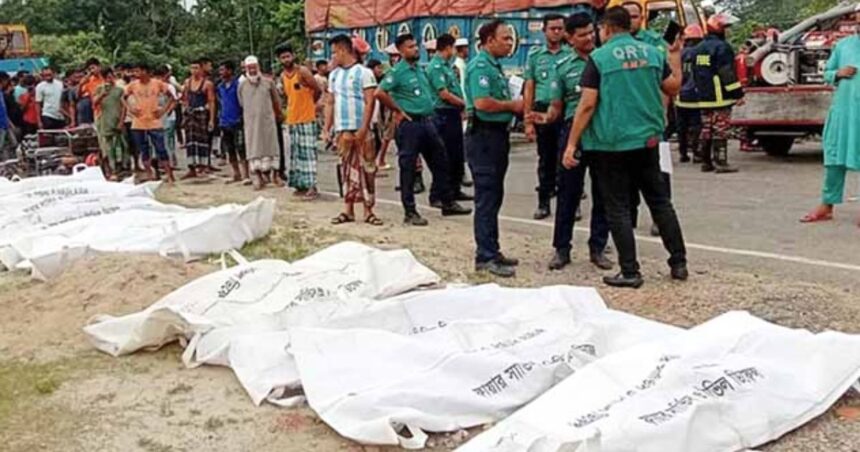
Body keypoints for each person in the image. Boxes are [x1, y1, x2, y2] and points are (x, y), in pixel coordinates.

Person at [562, 6, 687, 288]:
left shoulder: (599, 58)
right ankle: (678, 262)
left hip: (610, 144)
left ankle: (630, 271)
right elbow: (672, 87)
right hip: (648, 140)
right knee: (659, 202)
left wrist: (571, 143)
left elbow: (587, 105)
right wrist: (676, 55)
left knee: (616, 207)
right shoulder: (653, 53)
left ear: (606, 28)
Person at [539, 13, 612, 272]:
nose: (589, 38)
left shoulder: (605, 60)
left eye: (591, 32)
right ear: (570, 38)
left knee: (604, 194)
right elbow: (556, 105)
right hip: (573, 133)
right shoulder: (562, 68)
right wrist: (542, 117)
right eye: (582, 35)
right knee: (568, 193)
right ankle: (561, 248)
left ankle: (598, 247)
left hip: (603, 132)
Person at [376, 33, 472, 225]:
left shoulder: (420, 70)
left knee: (441, 161)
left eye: (415, 46)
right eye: (410, 47)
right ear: (401, 50)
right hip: (410, 124)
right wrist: (398, 110)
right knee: (408, 168)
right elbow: (380, 92)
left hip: (428, 121)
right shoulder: (397, 72)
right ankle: (410, 211)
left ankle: (447, 202)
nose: (415, 49)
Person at [466, 20, 524, 278]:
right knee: (487, 198)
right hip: (484, 138)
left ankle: (492, 249)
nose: (509, 43)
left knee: (494, 196)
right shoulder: (480, 66)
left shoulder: (494, 66)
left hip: (496, 136)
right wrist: (513, 106)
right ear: (489, 40)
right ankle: (485, 256)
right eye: (505, 38)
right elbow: (482, 103)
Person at [801, 5, 860, 226]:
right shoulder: (843, 45)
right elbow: (825, 73)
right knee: (835, 158)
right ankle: (827, 205)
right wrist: (838, 73)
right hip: (843, 112)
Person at [323, 34, 383, 226]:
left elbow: (369, 102)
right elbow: (330, 102)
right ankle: (348, 209)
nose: (333, 57)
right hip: (343, 130)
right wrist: (327, 128)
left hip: (362, 129)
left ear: (343, 50)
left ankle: (368, 210)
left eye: (334, 53)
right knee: (346, 170)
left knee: (367, 168)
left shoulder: (364, 73)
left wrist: (364, 128)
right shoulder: (333, 76)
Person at [524, 14, 571, 220]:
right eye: (552, 28)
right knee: (546, 160)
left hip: (566, 112)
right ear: (544, 31)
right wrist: (528, 120)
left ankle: (570, 203)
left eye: (560, 28)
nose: (557, 32)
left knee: (568, 161)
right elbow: (529, 87)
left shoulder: (571, 54)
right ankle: (543, 203)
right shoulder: (535, 56)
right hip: (542, 111)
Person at [688, 14, 743, 173]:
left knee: (707, 128)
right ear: (720, 29)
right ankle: (721, 162)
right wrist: (737, 94)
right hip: (720, 97)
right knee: (721, 129)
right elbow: (727, 73)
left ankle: (706, 162)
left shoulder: (697, 49)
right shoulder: (722, 47)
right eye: (726, 28)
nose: (728, 32)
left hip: (703, 97)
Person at [426, 33, 473, 202]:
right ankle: (439, 195)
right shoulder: (436, 67)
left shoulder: (447, 66)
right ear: (447, 48)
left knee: (456, 155)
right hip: (442, 114)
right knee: (443, 156)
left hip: (452, 114)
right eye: (453, 47)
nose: (454, 51)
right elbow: (444, 94)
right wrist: (463, 104)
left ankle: (454, 190)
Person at [278, 43, 323, 200]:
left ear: (293, 56)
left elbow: (317, 90)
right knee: (296, 155)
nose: (286, 59)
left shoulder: (302, 71)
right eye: (283, 57)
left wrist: (311, 105)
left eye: (288, 56)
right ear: (279, 60)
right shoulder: (283, 76)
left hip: (307, 118)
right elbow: (286, 96)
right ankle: (300, 185)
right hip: (292, 119)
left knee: (308, 153)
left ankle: (312, 186)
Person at [123, 62, 176, 183]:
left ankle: (169, 175)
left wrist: (163, 110)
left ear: (146, 71)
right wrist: (130, 108)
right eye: (135, 71)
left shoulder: (157, 83)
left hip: (154, 121)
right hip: (138, 122)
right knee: (144, 149)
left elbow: (172, 96)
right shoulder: (133, 85)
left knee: (161, 149)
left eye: (138, 71)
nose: (135, 74)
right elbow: (123, 97)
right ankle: (149, 174)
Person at [237, 55, 284, 190]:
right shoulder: (242, 85)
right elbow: (241, 103)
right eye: (249, 68)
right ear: (246, 69)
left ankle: (275, 176)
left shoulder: (268, 82)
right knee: (253, 149)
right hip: (251, 123)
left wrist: (279, 114)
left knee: (272, 147)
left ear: (258, 67)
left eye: (254, 67)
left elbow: (276, 101)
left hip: (268, 121)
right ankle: (257, 177)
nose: (252, 70)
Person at [181, 59, 216, 178]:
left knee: (203, 141)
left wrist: (211, 119)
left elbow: (211, 102)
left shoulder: (207, 84)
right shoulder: (187, 82)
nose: (194, 71)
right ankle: (192, 168)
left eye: (196, 68)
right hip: (190, 115)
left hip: (202, 115)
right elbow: (184, 98)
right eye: (192, 68)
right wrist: (185, 111)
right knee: (190, 141)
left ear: (201, 69)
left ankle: (203, 167)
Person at [675, 24, 705, 164]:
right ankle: (697, 152)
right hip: (696, 96)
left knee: (682, 126)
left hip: (680, 96)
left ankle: (683, 153)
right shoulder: (701, 54)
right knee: (696, 125)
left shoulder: (679, 54)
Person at [93, 67, 127, 180]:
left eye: (111, 76)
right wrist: (102, 94)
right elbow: (94, 103)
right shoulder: (99, 89)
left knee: (121, 146)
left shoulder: (119, 90)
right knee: (107, 146)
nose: (109, 79)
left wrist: (121, 122)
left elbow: (124, 107)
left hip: (117, 120)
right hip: (105, 120)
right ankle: (111, 169)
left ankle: (121, 167)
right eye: (107, 77)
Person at [217, 60, 248, 184]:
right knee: (230, 149)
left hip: (237, 121)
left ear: (230, 71)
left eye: (223, 70)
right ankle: (236, 173)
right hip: (225, 121)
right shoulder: (220, 87)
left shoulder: (238, 85)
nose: (221, 72)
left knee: (241, 148)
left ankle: (246, 175)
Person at [155, 66, 180, 168]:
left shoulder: (169, 87)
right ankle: (161, 162)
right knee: (159, 141)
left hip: (169, 117)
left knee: (168, 140)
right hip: (158, 118)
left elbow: (175, 100)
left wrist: (168, 111)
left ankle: (171, 162)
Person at [77, 58, 103, 126]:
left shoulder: (106, 78)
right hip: (97, 110)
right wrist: (81, 84)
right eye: (90, 69)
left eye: (93, 68)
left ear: (99, 66)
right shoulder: (89, 81)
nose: (92, 71)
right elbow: (79, 96)